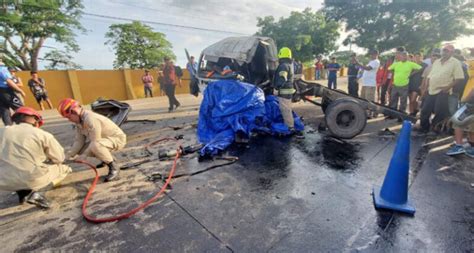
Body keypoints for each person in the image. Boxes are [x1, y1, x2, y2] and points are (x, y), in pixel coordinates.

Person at [0, 107, 72, 208]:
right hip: (31, 177)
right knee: (64, 168)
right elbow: (59, 158)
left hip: (3, 181)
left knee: (15, 167)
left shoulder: (2, 131)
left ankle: (23, 194)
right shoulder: (42, 134)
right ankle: (37, 193)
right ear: (35, 119)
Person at [58, 98, 127, 182]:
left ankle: (114, 167)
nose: (69, 120)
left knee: (95, 146)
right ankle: (106, 158)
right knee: (81, 149)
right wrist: (67, 156)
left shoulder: (90, 119)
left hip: (117, 139)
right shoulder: (79, 122)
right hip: (104, 140)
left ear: (74, 111)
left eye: (68, 117)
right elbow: (79, 141)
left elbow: (95, 140)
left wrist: (83, 157)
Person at [419, 45, 465, 134]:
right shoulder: (436, 62)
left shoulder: (455, 62)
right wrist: (426, 88)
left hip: (443, 91)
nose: (444, 52)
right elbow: (430, 76)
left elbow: (459, 78)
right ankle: (424, 128)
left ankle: (433, 129)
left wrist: (448, 87)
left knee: (439, 111)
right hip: (431, 90)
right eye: (443, 50)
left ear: (452, 53)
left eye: (447, 51)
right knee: (425, 110)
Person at [272, 47, 302, 137]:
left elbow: (282, 78)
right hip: (288, 91)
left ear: (281, 55)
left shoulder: (283, 66)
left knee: (285, 109)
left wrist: (277, 88)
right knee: (287, 108)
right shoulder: (289, 65)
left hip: (284, 91)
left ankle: (290, 127)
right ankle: (289, 125)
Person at [388, 51, 422, 117]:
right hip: (395, 84)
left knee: (403, 101)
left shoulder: (410, 64)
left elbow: (420, 68)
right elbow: (389, 69)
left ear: (407, 56)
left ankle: (401, 116)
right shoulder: (396, 63)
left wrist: (411, 74)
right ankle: (392, 114)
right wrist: (394, 72)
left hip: (404, 85)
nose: (403, 57)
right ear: (400, 56)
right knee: (393, 100)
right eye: (402, 55)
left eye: (405, 55)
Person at [446, 87, 474, 157]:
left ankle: (458, 146)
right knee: (472, 125)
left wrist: (464, 101)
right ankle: (473, 149)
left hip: (471, 103)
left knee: (458, 122)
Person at [0, 60, 25, 126]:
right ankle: (24, 125)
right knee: (20, 108)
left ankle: (9, 128)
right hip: (6, 91)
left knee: (5, 111)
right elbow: (9, 81)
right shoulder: (2, 69)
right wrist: (20, 90)